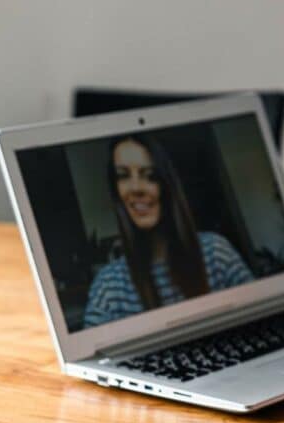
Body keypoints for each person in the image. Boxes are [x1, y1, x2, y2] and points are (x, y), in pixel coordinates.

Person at [83, 135, 254, 328]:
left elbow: (261, 317)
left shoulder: (216, 253)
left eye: (150, 176)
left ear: (167, 184)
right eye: (123, 176)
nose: (136, 188)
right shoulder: (108, 286)